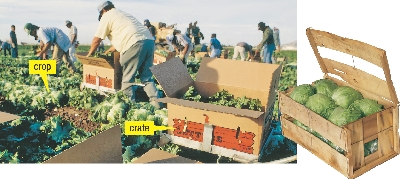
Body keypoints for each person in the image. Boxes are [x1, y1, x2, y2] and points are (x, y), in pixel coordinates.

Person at [86, 1, 161, 109]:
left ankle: (131, 108)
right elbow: (124, 38)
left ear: (103, 10)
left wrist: (90, 55)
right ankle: (157, 104)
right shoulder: (122, 14)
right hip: (149, 42)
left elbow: (96, 40)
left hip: (134, 44)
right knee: (146, 77)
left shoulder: (107, 16)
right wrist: (107, 52)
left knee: (127, 80)